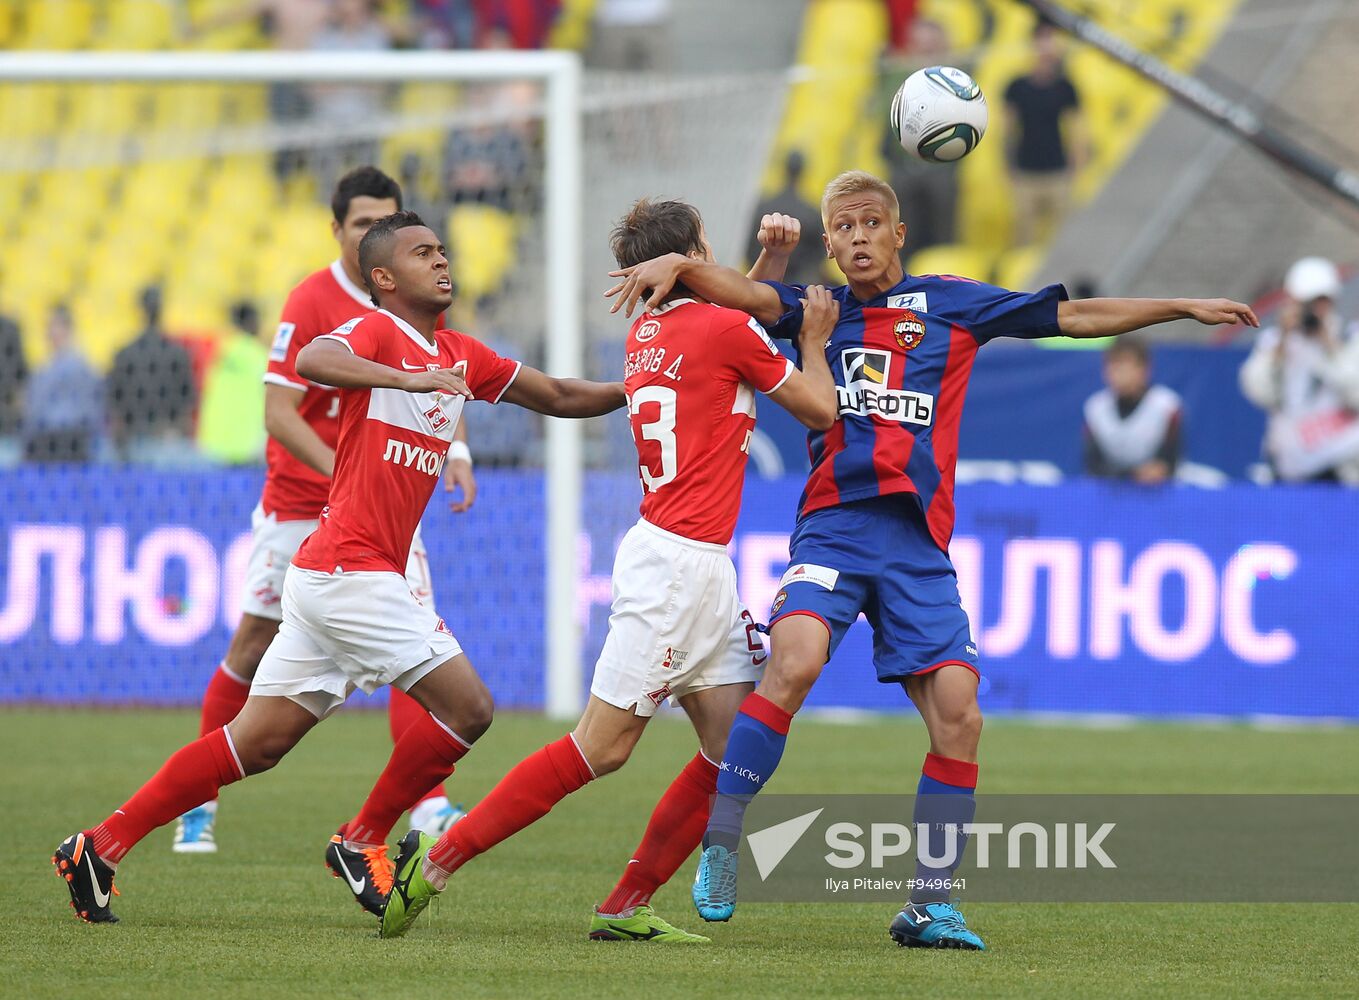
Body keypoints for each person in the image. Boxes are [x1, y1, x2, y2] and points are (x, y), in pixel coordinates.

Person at [606, 169, 1256, 950]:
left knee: (959, 711)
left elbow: (1074, 316)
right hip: (835, 525)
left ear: (897, 233)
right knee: (794, 661)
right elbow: (741, 298)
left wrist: (1180, 305)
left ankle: (928, 903)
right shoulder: (820, 309)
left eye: (867, 223)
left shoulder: (949, 302)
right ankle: (722, 844)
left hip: (917, 544)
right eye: (839, 227)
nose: (853, 238)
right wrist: (680, 268)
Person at [53, 210, 626, 925]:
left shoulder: (462, 354)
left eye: (444, 250)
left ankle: (97, 846)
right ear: (383, 278)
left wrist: (641, 387)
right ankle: (361, 839)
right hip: (352, 572)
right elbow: (312, 362)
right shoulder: (379, 333)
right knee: (470, 707)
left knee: (255, 744)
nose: (443, 261)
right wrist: (407, 382)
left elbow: (563, 396)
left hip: (334, 575)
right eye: (423, 253)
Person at [376, 199, 838, 941]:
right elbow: (817, 408)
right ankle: (435, 861)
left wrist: (770, 266)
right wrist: (814, 339)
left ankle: (627, 903)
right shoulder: (720, 330)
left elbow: (734, 330)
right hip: (675, 570)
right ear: (689, 255)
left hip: (691, 563)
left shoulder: (648, 333)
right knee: (601, 747)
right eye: (705, 249)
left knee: (733, 748)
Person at [172, 168, 474, 859]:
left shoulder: (419, 295)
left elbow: (448, 371)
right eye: (365, 223)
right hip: (304, 501)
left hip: (382, 504)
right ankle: (198, 808)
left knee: (418, 635)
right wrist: (342, 478)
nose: (379, 233)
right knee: (252, 645)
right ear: (337, 230)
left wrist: (457, 446)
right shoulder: (311, 300)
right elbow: (279, 412)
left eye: (389, 221)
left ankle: (427, 805)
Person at [1239, 256, 1359, 484]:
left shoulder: (1350, 339)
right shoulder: (1275, 343)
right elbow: (1259, 392)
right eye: (1308, 303)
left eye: (1321, 301)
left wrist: (1330, 348)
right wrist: (1282, 344)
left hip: (1344, 467)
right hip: (1292, 466)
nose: (1315, 310)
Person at [1002, 19, 1088, 246]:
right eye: (1041, 39)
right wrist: (1009, 166)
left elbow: (1076, 129)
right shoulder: (1017, 86)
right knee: (1023, 237)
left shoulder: (1065, 87)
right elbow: (1008, 130)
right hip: (1025, 172)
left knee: (1063, 237)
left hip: (1058, 171)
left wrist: (1075, 167)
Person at [106, 285, 200, 467]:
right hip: (169, 444)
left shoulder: (125, 353)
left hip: (134, 444)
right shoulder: (178, 353)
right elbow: (189, 402)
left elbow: (114, 407)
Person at [1083, 338, 1182, 483]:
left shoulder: (1167, 406)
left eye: (1124, 367)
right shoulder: (1095, 407)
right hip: (1108, 493)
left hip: (1156, 493)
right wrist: (1132, 473)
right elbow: (1093, 465)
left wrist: (1160, 470)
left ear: (1144, 371)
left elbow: (1169, 462)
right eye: (1112, 367)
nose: (1117, 375)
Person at [21, 304, 105, 464]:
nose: (49, 333)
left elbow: (92, 408)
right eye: (48, 327)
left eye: (54, 327)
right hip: (44, 441)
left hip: (73, 441)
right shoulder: (43, 370)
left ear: (68, 329)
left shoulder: (83, 367)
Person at [196, 301, 270, 465]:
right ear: (252, 322)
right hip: (249, 445)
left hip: (214, 444)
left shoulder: (219, 351)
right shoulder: (259, 355)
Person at [745, 151, 825, 284]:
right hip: (797, 282)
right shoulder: (811, 211)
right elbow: (820, 252)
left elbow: (749, 246)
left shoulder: (763, 207)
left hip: (763, 280)